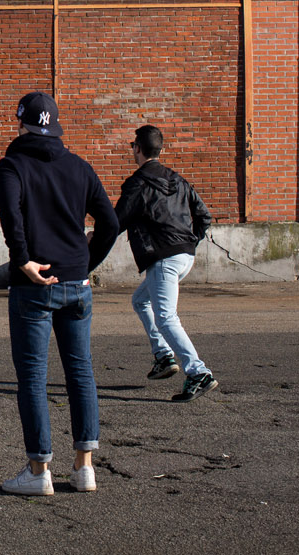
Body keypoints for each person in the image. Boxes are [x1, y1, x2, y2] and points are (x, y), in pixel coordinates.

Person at [0, 92, 119, 496]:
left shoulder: (13, 164)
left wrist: (23, 259)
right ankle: (84, 468)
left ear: (20, 123)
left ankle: (38, 470)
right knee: (80, 371)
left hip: (34, 284)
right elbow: (110, 223)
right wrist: (85, 264)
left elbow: (10, 212)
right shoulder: (80, 167)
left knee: (33, 377)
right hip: (77, 285)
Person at [117, 124, 218, 402]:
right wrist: (188, 243)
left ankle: (198, 372)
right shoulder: (179, 180)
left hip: (164, 259)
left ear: (137, 148)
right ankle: (163, 356)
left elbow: (117, 221)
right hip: (185, 256)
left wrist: (92, 238)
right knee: (141, 301)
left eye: (132, 146)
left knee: (166, 317)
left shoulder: (137, 183)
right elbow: (204, 216)